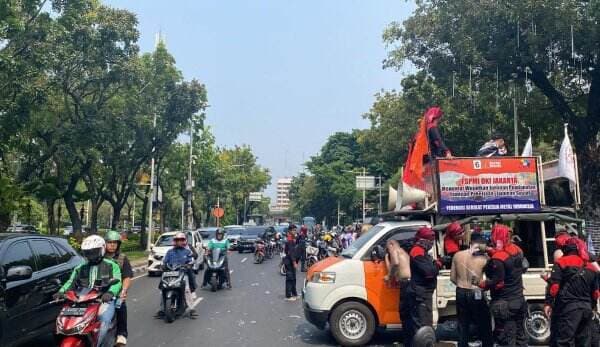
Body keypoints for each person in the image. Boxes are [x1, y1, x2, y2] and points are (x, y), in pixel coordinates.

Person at [54, 235, 122, 347]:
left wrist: (110, 293)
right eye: (88, 252)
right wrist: (61, 292)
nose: (91, 255)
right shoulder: (80, 267)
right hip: (80, 300)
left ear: (101, 250)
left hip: (103, 300)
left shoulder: (111, 265)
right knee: (63, 319)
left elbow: (118, 282)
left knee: (104, 319)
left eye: (94, 252)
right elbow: (70, 282)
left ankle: (102, 344)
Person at [477, 224, 527, 347]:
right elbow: (510, 259)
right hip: (519, 300)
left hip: (505, 302)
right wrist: (492, 251)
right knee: (520, 335)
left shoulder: (498, 259)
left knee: (506, 337)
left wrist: (483, 284)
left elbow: (497, 281)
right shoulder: (517, 250)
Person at [545, 237, 599, 347]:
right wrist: (592, 307)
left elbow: (554, 287)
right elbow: (596, 293)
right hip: (586, 310)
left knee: (565, 342)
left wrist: (548, 303)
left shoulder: (561, 262)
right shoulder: (591, 267)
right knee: (583, 342)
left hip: (569, 310)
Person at [451, 233, 493, 347]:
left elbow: (452, 278)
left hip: (460, 291)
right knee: (484, 322)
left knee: (463, 324)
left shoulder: (457, 255)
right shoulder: (484, 258)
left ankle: (462, 344)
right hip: (476, 291)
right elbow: (491, 277)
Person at [401, 226, 439, 347]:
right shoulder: (417, 251)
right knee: (422, 326)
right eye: (430, 241)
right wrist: (437, 265)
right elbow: (429, 272)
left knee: (423, 324)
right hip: (420, 294)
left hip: (421, 293)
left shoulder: (422, 251)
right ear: (424, 240)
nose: (431, 244)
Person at [104, 230, 133, 346]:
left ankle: (122, 334)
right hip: (99, 290)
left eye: (114, 243)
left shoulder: (122, 258)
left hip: (116, 291)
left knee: (120, 305)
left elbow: (126, 277)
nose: (112, 245)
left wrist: (124, 291)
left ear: (118, 244)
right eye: (109, 242)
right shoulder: (98, 257)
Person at [159, 232, 196, 315]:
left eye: (181, 240)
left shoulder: (187, 251)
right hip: (170, 273)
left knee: (186, 290)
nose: (179, 242)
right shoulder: (169, 252)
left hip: (182, 274)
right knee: (162, 290)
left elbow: (191, 260)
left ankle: (192, 309)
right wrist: (163, 266)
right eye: (177, 240)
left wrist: (188, 265)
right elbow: (164, 261)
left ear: (184, 241)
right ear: (175, 241)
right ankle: (161, 309)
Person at [284, 224, 299, 301]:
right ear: (290, 231)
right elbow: (290, 252)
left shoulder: (293, 238)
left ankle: (294, 293)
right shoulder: (289, 239)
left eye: (295, 230)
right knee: (290, 278)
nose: (295, 231)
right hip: (289, 261)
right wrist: (294, 262)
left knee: (293, 278)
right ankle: (288, 296)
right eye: (293, 230)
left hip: (291, 260)